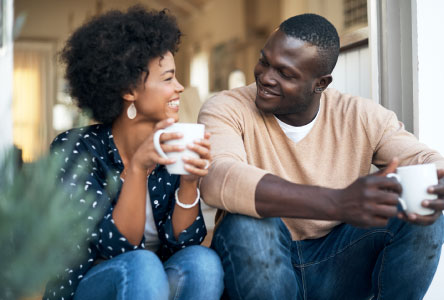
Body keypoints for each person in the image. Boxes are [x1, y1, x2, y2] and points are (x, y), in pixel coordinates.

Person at [198, 13, 444, 300]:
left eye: (285, 73)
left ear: (321, 83)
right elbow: (218, 178)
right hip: (260, 263)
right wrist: (338, 202)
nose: (266, 78)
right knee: (248, 224)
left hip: (336, 265)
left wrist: (436, 182)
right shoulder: (226, 107)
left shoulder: (361, 116)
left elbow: (423, 159)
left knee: (422, 209)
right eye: (264, 61)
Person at [43, 6, 224, 300]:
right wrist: (138, 168)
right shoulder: (76, 150)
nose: (179, 88)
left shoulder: (171, 146)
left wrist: (190, 182)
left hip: (150, 285)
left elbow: (183, 245)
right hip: (89, 287)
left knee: (203, 263)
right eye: (167, 79)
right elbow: (116, 248)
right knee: (141, 264)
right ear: (129, 90)